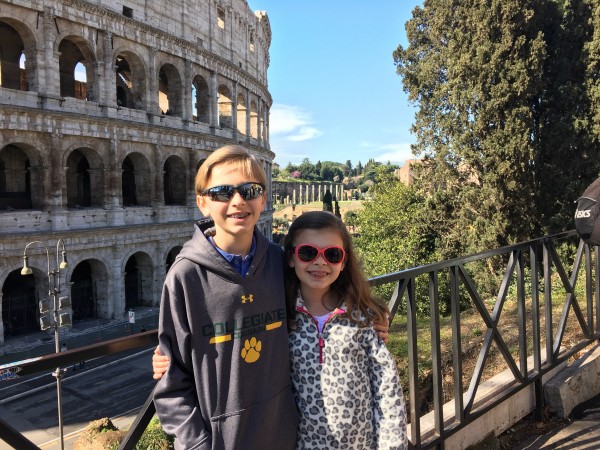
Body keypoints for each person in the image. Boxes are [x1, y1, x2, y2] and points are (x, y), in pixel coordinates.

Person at [153, 145, 298, 450]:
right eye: (222, 192)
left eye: (249, 190)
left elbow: (311, 310)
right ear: (202, 203)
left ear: (264, 198)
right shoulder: (185, 276)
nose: (238, 201)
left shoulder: (277, 261)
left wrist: (362, 317)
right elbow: (171, 384)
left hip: (281, 433)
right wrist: (196, 444)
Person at [284, 211, 407, 449]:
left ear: (343, 262)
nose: (320, 262)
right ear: (291, 258)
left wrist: (392, 445)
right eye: (308, 253)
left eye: (332, 254)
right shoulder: (280, 318)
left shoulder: (363, 317)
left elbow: (386, 387)